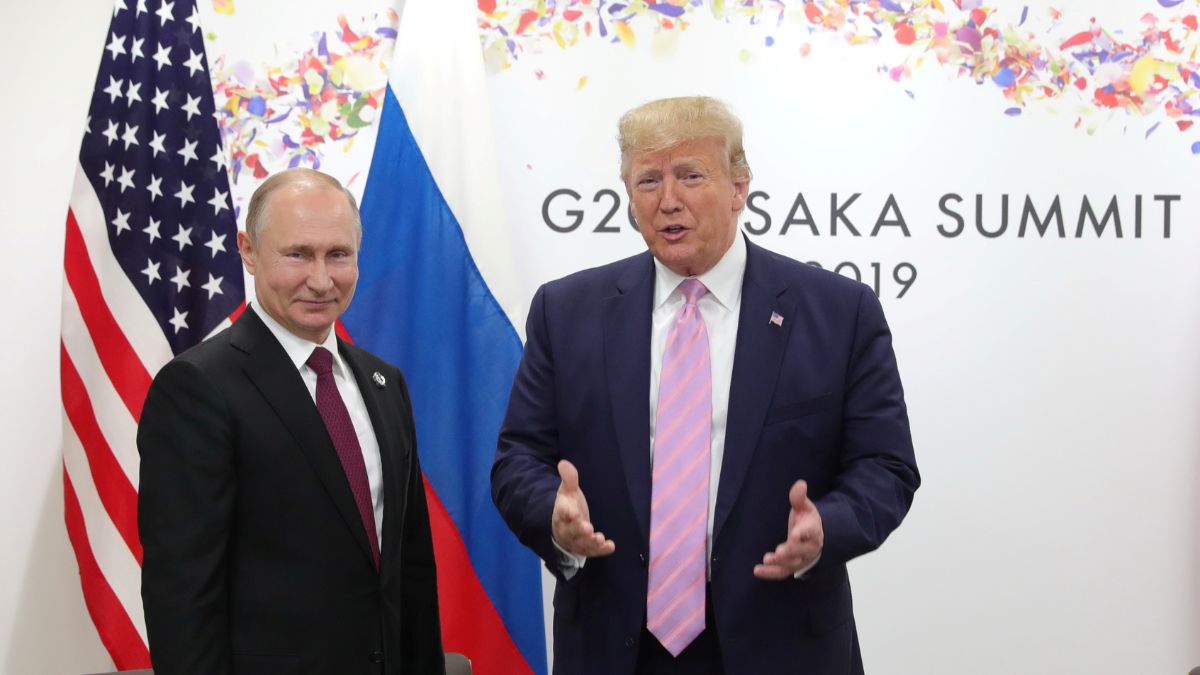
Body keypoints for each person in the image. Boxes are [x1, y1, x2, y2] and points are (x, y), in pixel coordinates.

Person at [492, 96, 919, 674]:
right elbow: (519, 458)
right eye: (648, 180)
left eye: (690, 175)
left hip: (783, 642)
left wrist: (828, 525)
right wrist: (554, 516)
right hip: (616, 645)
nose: (669, 199)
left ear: (740, 186)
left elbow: (885, 466)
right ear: (629, 197)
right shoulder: (566, 313)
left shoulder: (839, 313)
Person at [137, 168, 444, 674]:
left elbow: (411, 572)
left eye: (338, 255)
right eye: (298, 254)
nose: (321, 279)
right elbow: (182, 597)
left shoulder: (384, 383)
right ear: (249, 251)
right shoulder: (196, 388)